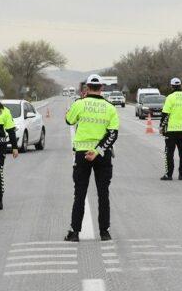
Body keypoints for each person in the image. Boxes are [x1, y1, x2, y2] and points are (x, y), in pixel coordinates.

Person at [64, 74, 119, 242]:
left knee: (79, 194)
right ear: (102, 88)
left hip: (82, 154)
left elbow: (68, 120)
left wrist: (79, 102)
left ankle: (74, 233)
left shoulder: (79, 104)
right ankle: (104, 232)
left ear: (86, 88)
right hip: (102, 155)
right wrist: (98, 150)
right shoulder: (110, 107)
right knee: (103, 194)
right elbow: (113, 134)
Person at [159, 78, 182, 181]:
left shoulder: (170, 98)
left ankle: (169, 175)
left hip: (171, 130)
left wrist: (162, 127)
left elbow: (165, 115)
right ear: (181, 85)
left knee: (169, 153)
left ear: (171, 86)